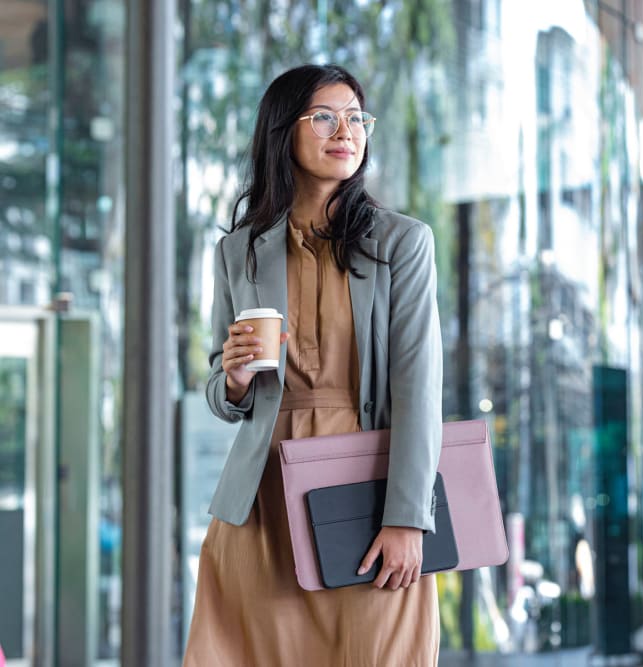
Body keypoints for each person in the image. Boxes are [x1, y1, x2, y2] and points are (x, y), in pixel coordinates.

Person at [183, 64, 443, 666]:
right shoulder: (238, 250)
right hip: (264, 502)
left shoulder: (402, 243)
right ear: (283, 132)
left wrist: (408, 517)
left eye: (356, 117)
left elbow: (418, 386)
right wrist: (235, 378)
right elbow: (224, 396)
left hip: (370, 494)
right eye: (324, 116)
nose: (345, 130)